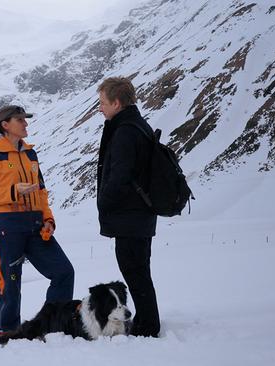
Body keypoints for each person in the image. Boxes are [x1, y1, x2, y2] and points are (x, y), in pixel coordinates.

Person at [0, 105, 75, 332]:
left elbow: (40, 191)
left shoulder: (30, 153)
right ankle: (10, 331)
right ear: (5, 125)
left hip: (36, 226)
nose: (25, 124)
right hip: (5, 228)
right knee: (11, 282)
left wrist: (48, 220)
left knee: (64, 272)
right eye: (20, 120)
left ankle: (54, 326)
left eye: (25, 119)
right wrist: (13, 191)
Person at [95, 77, 160, 337]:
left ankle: (147, 327)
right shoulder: (136, 125)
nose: (100, 108)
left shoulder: (125, 131)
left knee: (135, 272)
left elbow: (120, 175)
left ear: (117, 102)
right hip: (139, 215)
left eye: (102, 103)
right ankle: (147, 321)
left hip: (130, 217)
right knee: (139, 271)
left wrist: (104, 202)